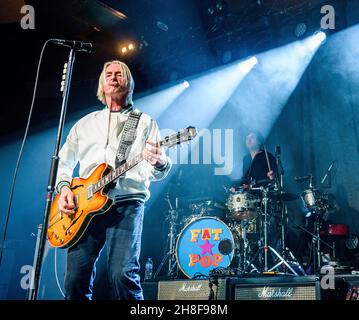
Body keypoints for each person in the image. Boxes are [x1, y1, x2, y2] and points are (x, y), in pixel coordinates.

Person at [55, 60, 172, 300]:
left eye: (120, 74)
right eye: (108, 73)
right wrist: (64, 188)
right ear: (102, 82)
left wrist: (160, 162)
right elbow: (63, 162)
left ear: (128, 82)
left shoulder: (144, 122)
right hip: (83, 208)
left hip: (127, 203)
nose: (114, 77)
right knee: (75, 278)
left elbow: (157, 169)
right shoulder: (85, 124)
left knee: (122, 274)